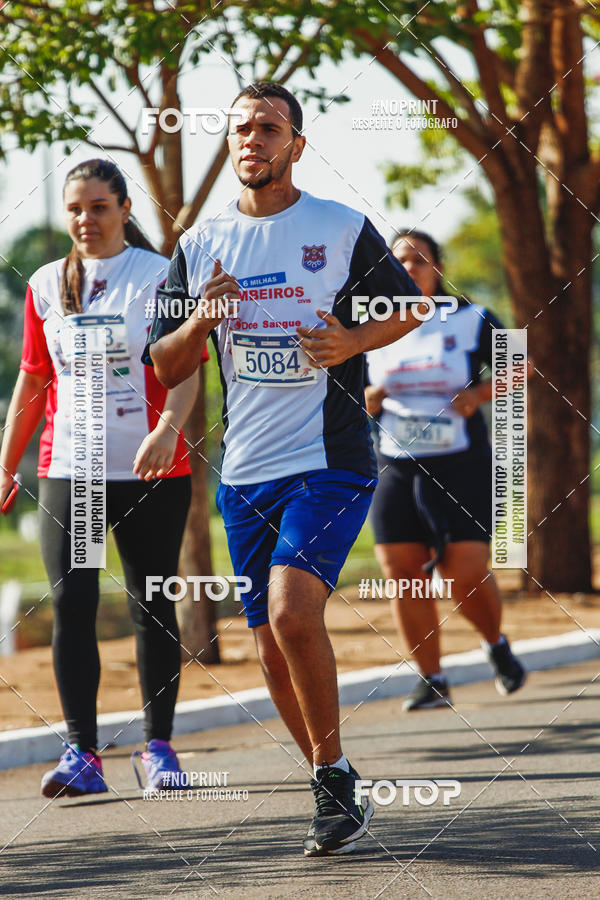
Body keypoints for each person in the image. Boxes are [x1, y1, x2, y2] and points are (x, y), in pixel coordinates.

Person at [144, 82, 424, 856]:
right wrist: (202, 317)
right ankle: (331, 781)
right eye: (242, 128)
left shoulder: (337, 227)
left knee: (295, 611)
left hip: (329, 459)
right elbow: (166, 367)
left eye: (269, 128)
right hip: (245, 470)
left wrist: (353, 343)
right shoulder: (200, 245)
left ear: (297, 145)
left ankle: (331, 778)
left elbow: (408, 307)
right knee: (269, 645)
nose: (252, 140)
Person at [0, 159, 200, 797]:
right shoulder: (44, 283)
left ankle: (159, 750)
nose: (86, 220)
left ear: (125, 211)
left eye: (99, 207)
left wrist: (169, 426)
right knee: (73, 606)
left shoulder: (162, 275)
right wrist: (6, 463)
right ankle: (83, 755)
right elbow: (33, 380)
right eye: (75, 209)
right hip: (73, 472)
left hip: (152, 470)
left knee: (152, 606)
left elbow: (186, 362)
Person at [365, 229, 527, 711]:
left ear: (437, 268)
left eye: (419, 260)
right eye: (400, 261)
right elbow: (339, 381)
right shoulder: (369, 323)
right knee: (402, 572)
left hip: (462, 461)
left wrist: (478, 394)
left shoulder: (471, 317)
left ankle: (496, 644)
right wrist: (366, 398)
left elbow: (522, 365)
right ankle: (431, 678)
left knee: (463, 572)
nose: (409, 268)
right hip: (395, 462)